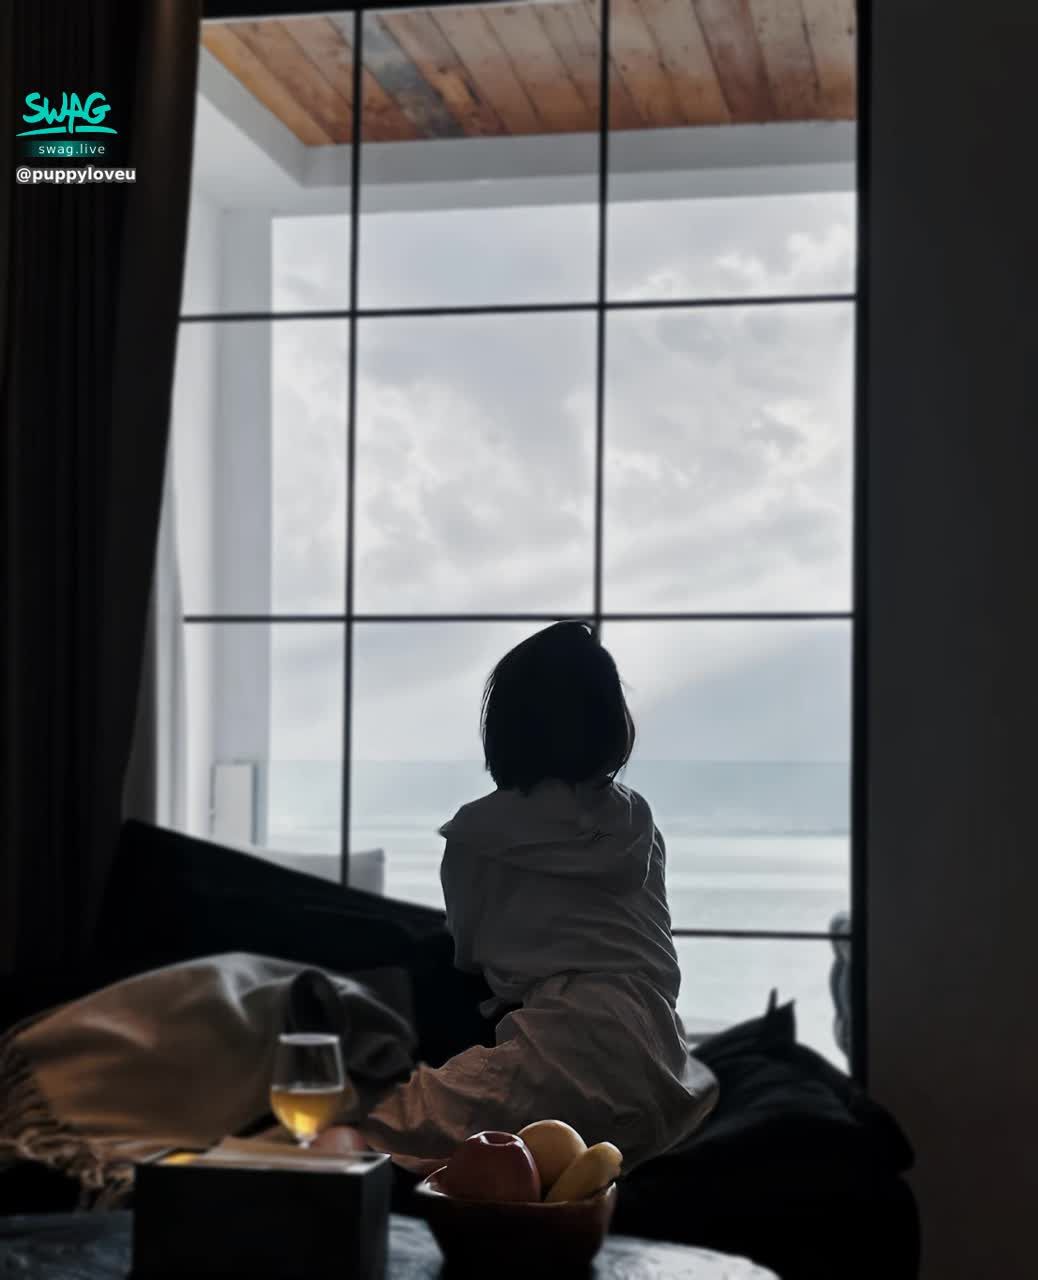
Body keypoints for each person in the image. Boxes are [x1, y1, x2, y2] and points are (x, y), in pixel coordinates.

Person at [326, 621, 717, 1173]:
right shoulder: (640, 823)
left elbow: (470, 952)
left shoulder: (478, 835)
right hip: (662, 1058)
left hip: (564, 1048)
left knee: (388, 1121)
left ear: (506, 726)